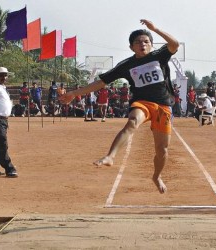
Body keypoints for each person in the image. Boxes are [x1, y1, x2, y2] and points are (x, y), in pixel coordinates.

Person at [59, 19, 179, 193]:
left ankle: (156, 176)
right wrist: (75, 93)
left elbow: (174, 44)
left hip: (162, 105)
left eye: (146, 41)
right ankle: (110, 156)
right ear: (131, 47)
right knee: (131, 122)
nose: (142, 45)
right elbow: (100, 83)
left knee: (162, 150)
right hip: (142, 103)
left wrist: (155, 29)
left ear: (151, 45)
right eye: (138, 42)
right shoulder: (127, 65)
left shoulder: (159, 55)